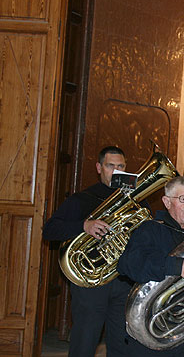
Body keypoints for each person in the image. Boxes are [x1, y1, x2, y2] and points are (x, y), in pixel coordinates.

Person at [117, 176, 184, 356]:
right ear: (167, 202)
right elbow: (128, 264)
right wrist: (178, 266)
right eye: (183, 199)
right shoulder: (151, 229)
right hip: (156, 335)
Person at [42, 146, 132, 356]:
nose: (116, 171)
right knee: (85, 340)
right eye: (111, 166)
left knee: (122, 342)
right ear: (99, 168)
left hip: (123, 280)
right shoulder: (82, 199)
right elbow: (50, 230)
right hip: (90, 283)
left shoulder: (132, 198)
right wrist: (84, 226)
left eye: (121, 167)